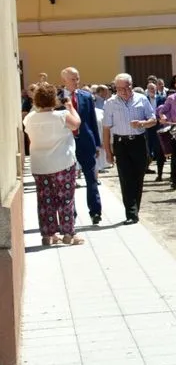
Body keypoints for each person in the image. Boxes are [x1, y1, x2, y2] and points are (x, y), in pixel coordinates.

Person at [23, 83, 84, 245]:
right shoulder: (62, 115)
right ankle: (68, 233)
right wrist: (71, 107)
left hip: (40, 165)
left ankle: (48, 235)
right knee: (66, 199)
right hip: (62, 163)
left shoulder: (29, 118)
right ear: (54, 99)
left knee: (45, 200)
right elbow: (77, 124)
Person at [102, 73, 156, 225]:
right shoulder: (110, 103)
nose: (124, 92)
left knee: (138, 177)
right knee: (126, 178)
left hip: (138, 142)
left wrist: (142, 123)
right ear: (115, 89)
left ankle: (134, 209)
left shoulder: (142, 99)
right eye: (120, 89)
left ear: (131, 85)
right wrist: (108, 152)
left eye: (126, 88)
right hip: (121, 143)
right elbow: (106, 129)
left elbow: (153, 120)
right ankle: (131, 213)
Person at [61, 67, 103, 225]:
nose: (76, 82)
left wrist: (97, 144)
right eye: (73, 79)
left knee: (91, 178)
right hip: (66, 143)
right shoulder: (58, 98)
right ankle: (71, 213)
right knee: (68, 180)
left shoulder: (86, 97)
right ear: (64, 80)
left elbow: (92, 121)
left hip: (86, 142)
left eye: (78, 78)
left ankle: (95, 212)